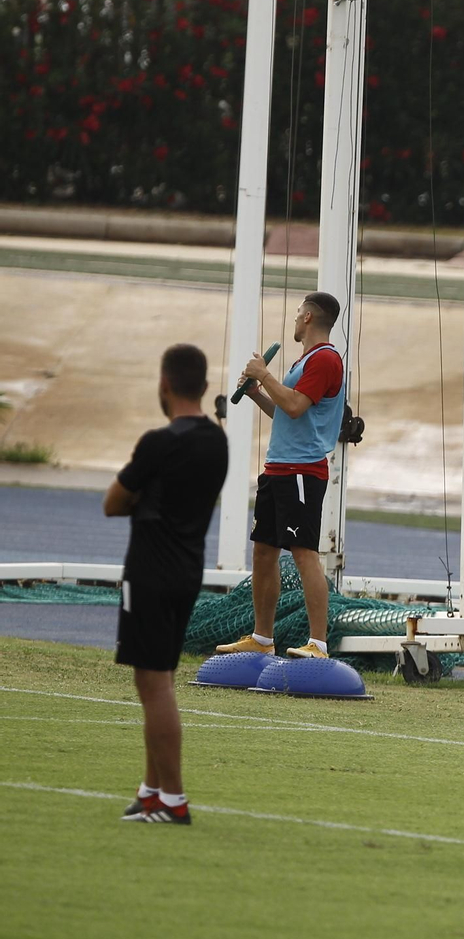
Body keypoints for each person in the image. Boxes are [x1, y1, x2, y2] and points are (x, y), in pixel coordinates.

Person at [106, 344, 230, 824]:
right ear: (202, 386)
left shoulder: (157, 442)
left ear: (164, 385)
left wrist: (141, 500)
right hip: (186, 571)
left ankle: (173, 799)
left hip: (150, 574)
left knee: (154, 686)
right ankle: (152, 789)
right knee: (156, 680)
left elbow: (112, 503)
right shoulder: (216, 442)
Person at [216, 292, 347, 660]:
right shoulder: (304, 360)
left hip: (303, 470)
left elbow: (294, 405)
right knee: (263, 551)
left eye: (297, 315)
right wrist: (258, 392)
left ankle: (318, 644)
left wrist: (264, 373)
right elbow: (286, 411)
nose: (294, 321)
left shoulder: (324, 359)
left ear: (307, 317)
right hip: (278, 468)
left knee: (304, 553)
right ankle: (262, 637)